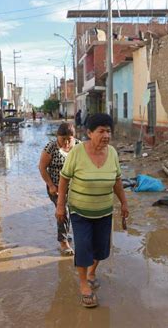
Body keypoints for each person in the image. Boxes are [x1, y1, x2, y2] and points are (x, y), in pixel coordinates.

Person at [56, 113, 129, 308]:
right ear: (89, 133)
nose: (106, 135)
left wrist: (124, 203)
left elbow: (117, 180)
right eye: (101, 131)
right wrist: (60, 205)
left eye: (109, 131)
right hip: (80, 210)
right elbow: (64, 179)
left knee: (100, 248)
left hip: (104, 211)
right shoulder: (77, 152)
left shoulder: (112, 152)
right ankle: (83, 285)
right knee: (83, 246)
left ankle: (92, 272)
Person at [39, 122, 79, 255]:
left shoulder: (79, 147)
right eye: (63, 140)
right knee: (63, 210)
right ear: (57, 137)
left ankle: (66, 234)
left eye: (69, 140)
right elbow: (42, 167)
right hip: (56, 187)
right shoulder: (51, 147)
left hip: (75, 188)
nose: (66, 143)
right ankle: (63, 242)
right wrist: (50, 185)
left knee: (74, 212)